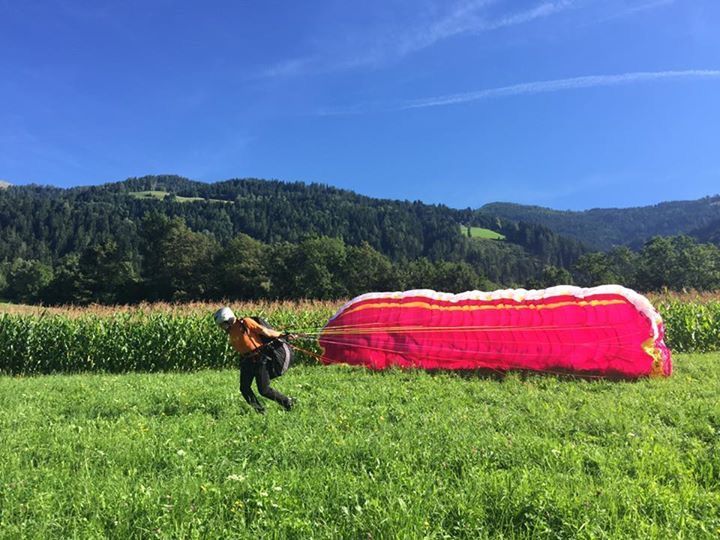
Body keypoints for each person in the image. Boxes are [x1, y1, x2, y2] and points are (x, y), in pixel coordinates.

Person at [214, 307, 296, 414]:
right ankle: (260, 411)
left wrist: (283, 335)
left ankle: (287, 402)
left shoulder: (245, 322)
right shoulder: (230, 331)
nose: (222, 327)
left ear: (228, 319)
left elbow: (266, 332)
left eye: (222, 324)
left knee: (264, 390)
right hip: (246, 361)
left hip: (259, 359)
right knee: (244, 388)